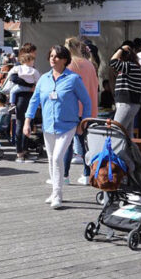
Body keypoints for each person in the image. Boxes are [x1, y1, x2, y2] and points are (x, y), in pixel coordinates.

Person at [24, 45, 92, 209]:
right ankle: (55, 191)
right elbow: (34, 101)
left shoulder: (73, 79)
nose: (53, 59)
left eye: (57, 56)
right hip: (48, 125)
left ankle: (58, 194)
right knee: (51, 159)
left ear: (64, 60)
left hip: (68, 125)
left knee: (57, 158)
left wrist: (83, 123)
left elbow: (87, 102)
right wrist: (27, 121)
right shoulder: (43, 79)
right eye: (51, 56)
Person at [62, 37, 98, 186]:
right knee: (85, 143)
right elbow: (95, 86)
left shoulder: (68, 65)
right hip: (88, 109)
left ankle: (64, 175)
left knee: (67, 144)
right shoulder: (90, 64)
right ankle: (87, 174)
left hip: (71, 109)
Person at [109, 42, 141, 136]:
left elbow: (112, 62)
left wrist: (121, 49)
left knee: (115, 131)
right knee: (127, 135)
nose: (118, 59)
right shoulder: (131, 66)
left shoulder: (129, 66)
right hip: (129, 104)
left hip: (126, 103)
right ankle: (130, 147)